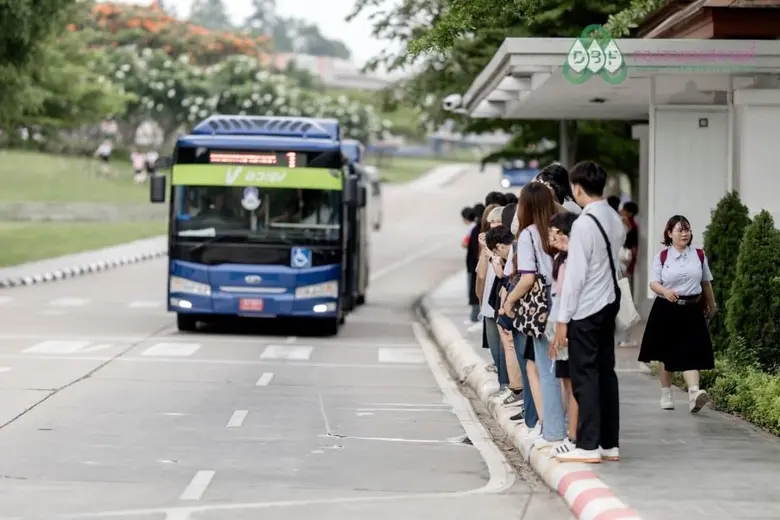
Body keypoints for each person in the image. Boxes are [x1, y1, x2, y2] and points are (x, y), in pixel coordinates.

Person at [553, 161, 625, 464]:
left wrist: (562, 320)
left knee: (585, 376)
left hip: (586, 308)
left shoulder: (583, 223)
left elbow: (576, 277)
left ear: (577, 188)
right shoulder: (614, 218)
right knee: (606, 374)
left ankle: (587, 445)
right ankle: (609, 444)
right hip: (609, 303)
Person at [503, 183, 565, 448]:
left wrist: (510, 301)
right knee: (563, 369)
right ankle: (565, 428)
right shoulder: (560, 230)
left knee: (546, 368)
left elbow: (528, 279)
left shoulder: (528, 235)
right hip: (565, 299)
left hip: (542, 307)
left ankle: (552, 431)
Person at [638, 215, 716, 413]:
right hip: (667, 308)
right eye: (680, 230)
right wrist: (665, 291)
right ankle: (666, 393)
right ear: (669, 234)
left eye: (687, 230)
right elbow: (654, 282)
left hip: (692, 308)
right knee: (667, 352)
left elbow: (706, 282)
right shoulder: (662, 257)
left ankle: (694, 393)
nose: (684, 234)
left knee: (692, 350)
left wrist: (712, 305)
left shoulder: (699, 255)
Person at [548, 211, 580, 455]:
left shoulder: (573, 262)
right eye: (552, 232)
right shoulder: (560, 259)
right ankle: (571, 434)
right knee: (567, 384)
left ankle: (574, 437)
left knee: (574, 386)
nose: (554, 236)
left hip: (569, 331)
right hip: (560, 332)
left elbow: (568, 301)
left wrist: (562, 331)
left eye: (558, 232)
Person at [480, 221, 514, 394]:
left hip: (507, 306)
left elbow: (505, 276)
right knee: (500, 347)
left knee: (508, 347)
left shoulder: (513, 255)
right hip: (496, 305)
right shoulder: (505, 252)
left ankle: (511, 387)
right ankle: (507, 386)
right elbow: (481, 274)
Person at [466, 203, 485, 324]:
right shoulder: (479, 229)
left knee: (476, 289)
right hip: (477, 265)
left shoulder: (475, 229)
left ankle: (475, 316)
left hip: (475, 265)